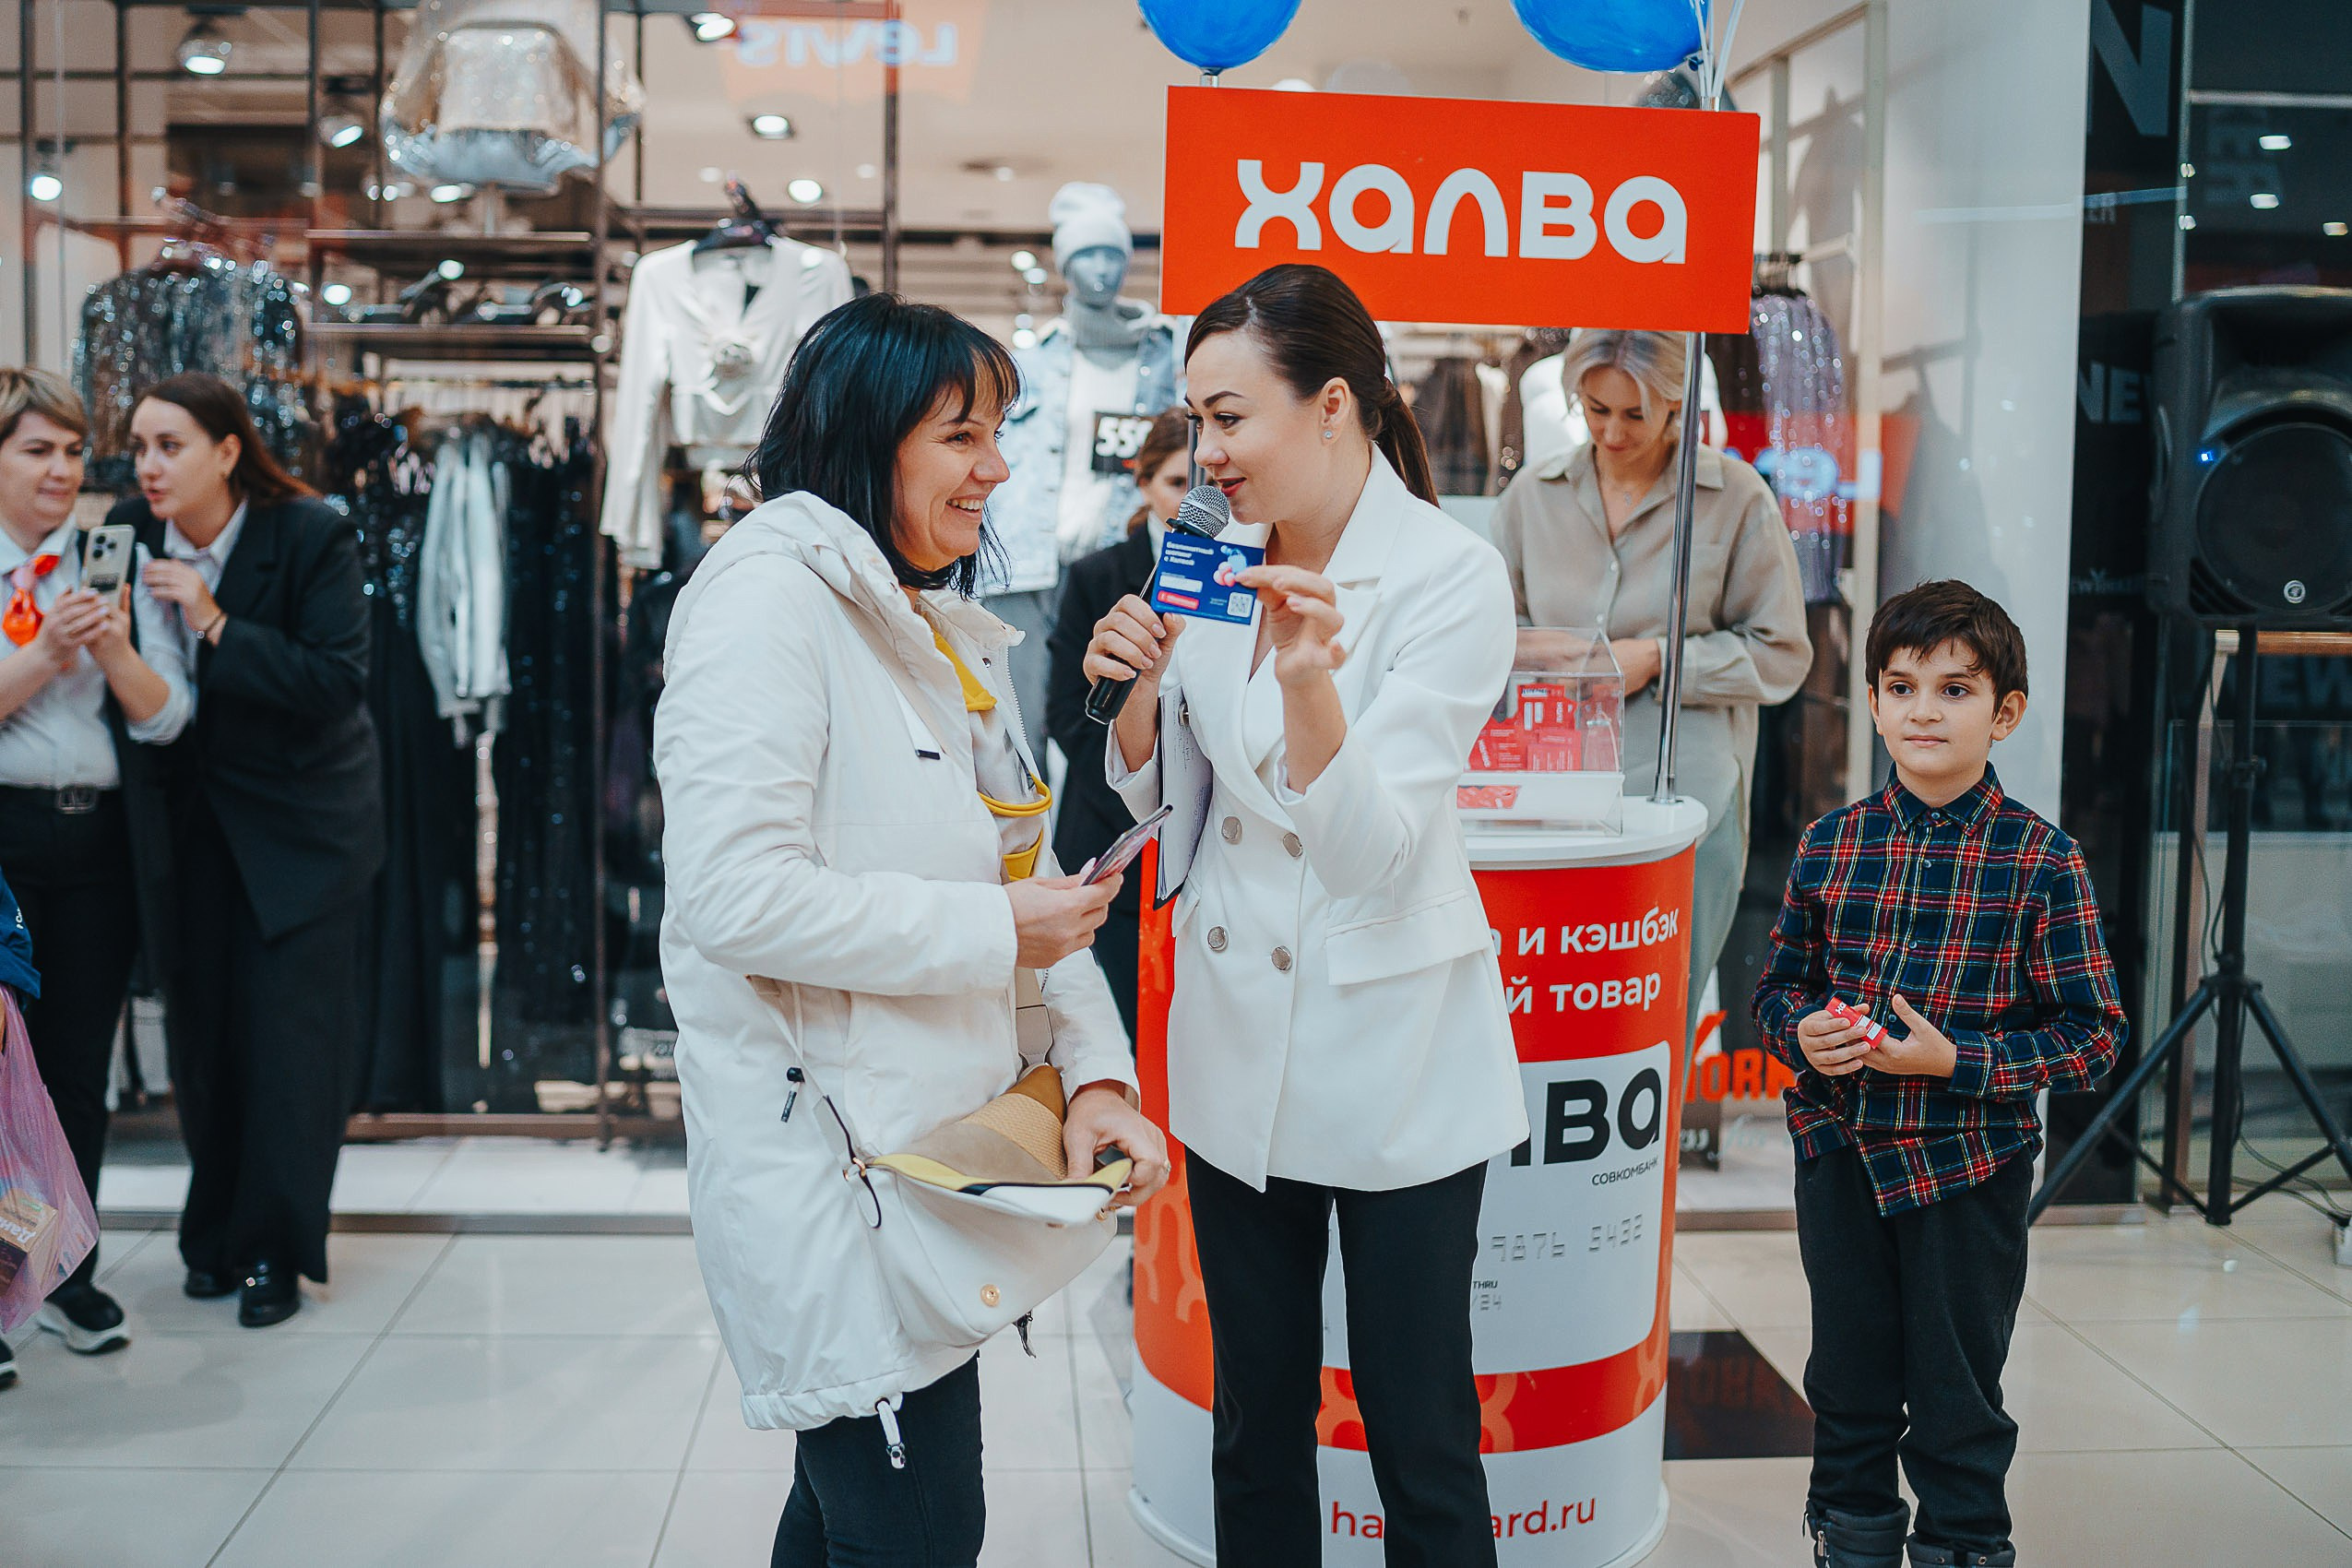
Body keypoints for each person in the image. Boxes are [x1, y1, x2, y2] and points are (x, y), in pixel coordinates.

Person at [654, 292, 1169, 1568]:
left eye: (996, 433)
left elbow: (1032, 868)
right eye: (960, 436)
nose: (996, 468)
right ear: (862, 435)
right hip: (833, 1168)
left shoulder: (922, 617)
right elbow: (734, 896)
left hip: (926, 1158)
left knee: (849, 1519)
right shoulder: (764, 605)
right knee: (919, 1529)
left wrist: (1094, 1074)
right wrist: (995, 930)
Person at [1087, 264, 1524, 1567]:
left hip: (1393, 1056)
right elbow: (1181, 802)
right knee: (1254, 1417)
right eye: (1195, 421)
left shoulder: (1451, 578)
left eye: (1229, 418)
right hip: (1233, 1046)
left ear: (1333, 405)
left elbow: (1375, 857)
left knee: (1418, 1432)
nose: (1204, 453)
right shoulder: (1211, 558)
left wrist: (1310, 687)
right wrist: (1132, 703)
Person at [1752, 580, 2125, 1568]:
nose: (1924, 709)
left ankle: (1963, 1541)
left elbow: (2093, 1035)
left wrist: (1959, 1061)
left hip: (1969, 1165)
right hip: (1840, 1153)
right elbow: (1779, 984)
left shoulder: (2046, 862)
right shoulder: (1832, 845)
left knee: (1957, 1389)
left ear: (2005, 712)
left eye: (1955, 689)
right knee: (1847, 1376)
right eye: (1902, 685)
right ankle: (1851, 1536)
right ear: (1871, 700)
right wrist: (1802, 1032)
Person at [111, 373, 384, 1329]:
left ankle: (276, 1245)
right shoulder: (125, 536)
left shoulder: (310, 534)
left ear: (228, 451)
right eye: (139, 445)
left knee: (289, 1050)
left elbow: (336, 681)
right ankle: (213, 1230)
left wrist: (216, 620)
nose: (149, 465)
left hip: (302, 831)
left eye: (170, 444)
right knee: (203, 1041)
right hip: (185, 830)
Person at [1490, 327, 1809, 1028]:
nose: (1611, 431)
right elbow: (1485, 636)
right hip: (1552, 791)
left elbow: (1782, 653)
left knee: (1659, 1009)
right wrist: (1537, 650)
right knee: (1549, 1005)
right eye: (1595, 408)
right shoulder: (1531, 501)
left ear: (1677, 406)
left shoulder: (1735, 499)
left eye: (1634, 414)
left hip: (1686, 794)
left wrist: (1660, 659)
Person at [0, 371, 192, 1364]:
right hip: (4, 838)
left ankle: (64, 1271)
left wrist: (111, 645)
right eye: (38, 450)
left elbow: (164, 714)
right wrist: (41, 659)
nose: (63, 471)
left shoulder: (104, 565)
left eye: (73, 452)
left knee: (76, 1070)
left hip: (95, 843)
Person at [1044, 405, 1189, 1035]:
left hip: (1202, 842)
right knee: (1116, 1026)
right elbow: (1065, 714)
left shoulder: (1239, 578)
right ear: (1145, 483)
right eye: (1177, 484)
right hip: (1110, 838)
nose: (1189, 501)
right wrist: (1139, 790)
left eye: (1201, 486)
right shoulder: (1095, 575)